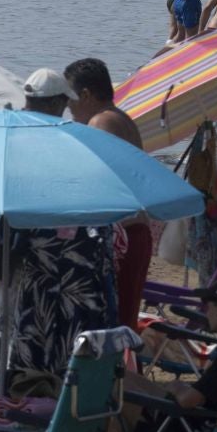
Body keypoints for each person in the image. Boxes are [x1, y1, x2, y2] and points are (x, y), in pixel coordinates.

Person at [65, 58, 152, 325]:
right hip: (137, 231)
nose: (68, 108)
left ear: (86, 95)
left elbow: (97, 182)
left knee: (113, 321)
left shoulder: (101, 123)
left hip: (123, 236)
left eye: (70, 99)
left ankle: (121, 366)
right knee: (124, 318)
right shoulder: (122, 118)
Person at [122, 278, 217, 424]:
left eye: (208, 306)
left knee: (116, 389)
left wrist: (177, 387)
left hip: (187, 426)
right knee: (123, 378)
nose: (207, 312)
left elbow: (188, 400)